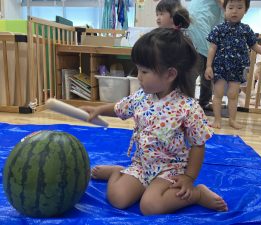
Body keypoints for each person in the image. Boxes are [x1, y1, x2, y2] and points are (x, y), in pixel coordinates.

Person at [81, 28, 228, 215]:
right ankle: (117, 171)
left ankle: (198, 194)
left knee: (150, 206)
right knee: (118, 198)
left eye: (144, 71)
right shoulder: (142, 96)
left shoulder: (188, 108)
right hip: (141, 165)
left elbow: (198, 145)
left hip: (170, 170)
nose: (138, 76)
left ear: (170, 74)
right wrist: (99, 110)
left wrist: (189, 178)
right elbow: (120, 108)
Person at [204, 0, 261, 129]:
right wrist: (209, 66)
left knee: (233, 95)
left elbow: (255, 46)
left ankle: (232, 120)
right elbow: (212, 48)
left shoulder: (246, 29)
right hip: (220, 67)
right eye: (231, 7)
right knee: (218, 94)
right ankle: (217, 120)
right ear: (225, 9)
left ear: (245, 10)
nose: (235, 11)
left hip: (237, 68)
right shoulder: (218, 28)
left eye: (239, 7)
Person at [187, 0, 224, 109]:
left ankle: (203, 102)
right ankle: (191, 102)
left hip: (205, 38)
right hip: (199, 36)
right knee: (194, 73)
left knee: (207, 75)